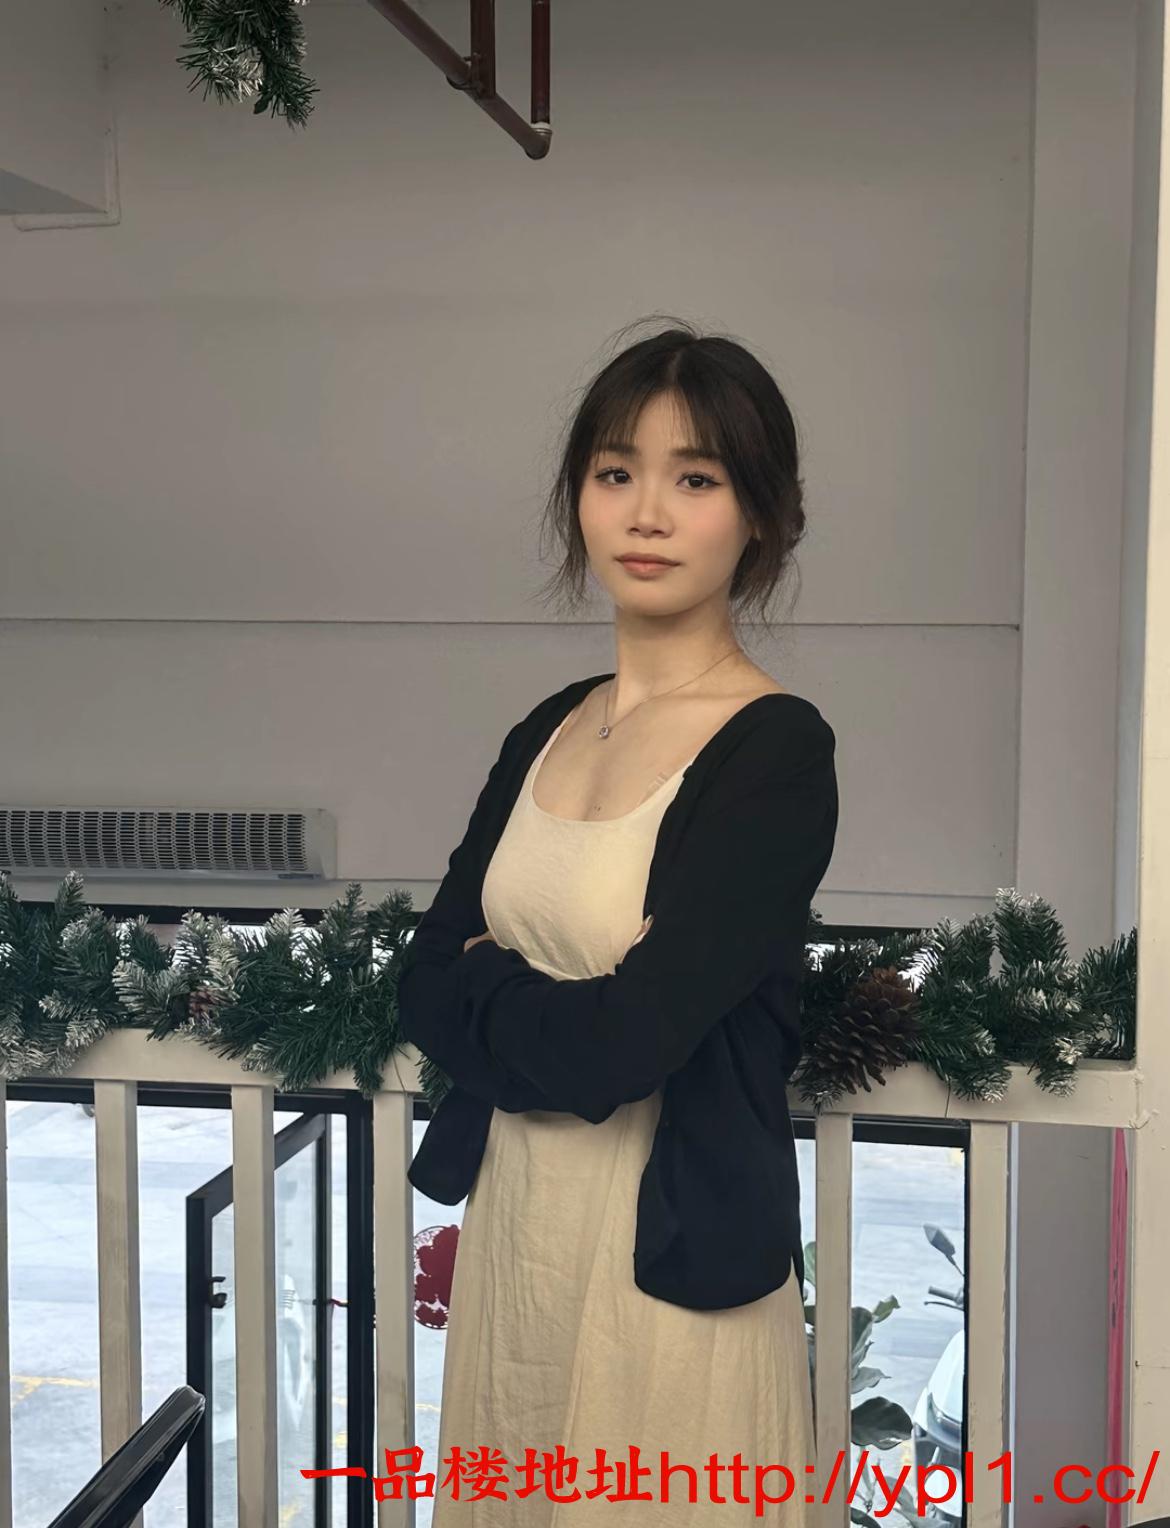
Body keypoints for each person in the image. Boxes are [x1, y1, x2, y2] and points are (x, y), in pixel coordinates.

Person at [407, 317, 837, 1524]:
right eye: (615, 472)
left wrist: (496, 985)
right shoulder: (545, 724)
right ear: (578, 500)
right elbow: (422, 982)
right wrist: (564, 1002)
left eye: (695, 479)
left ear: (762, 515)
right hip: (519, 1248)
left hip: (673, 1276)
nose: (647, 513)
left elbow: (627, 1045)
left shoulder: (776, 750)